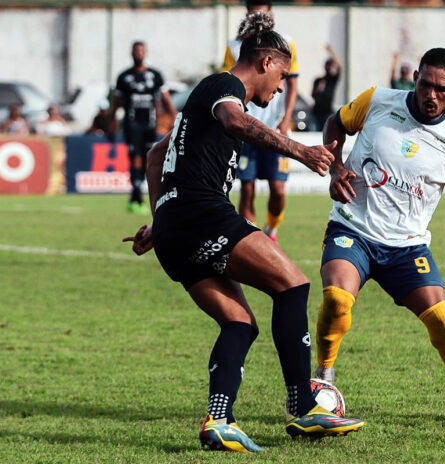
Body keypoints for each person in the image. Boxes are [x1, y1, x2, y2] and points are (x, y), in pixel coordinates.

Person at [122, 12, 364, 453]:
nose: (282, 86)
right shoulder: (224, 87)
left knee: (239, 323)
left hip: (176, 230)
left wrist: (161, 220)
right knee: (294, 286)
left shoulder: (209, 103)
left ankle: (220, 420)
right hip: (202, 213)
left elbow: (159, 155)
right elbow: (234, 122)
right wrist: (299, 150)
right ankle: (304, 405)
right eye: (282, 75)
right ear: (266, 60)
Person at [313, 48, 445, 423]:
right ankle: (323, 377)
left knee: (442, 318)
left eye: (442, 90)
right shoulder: (377, 100)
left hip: (406, 246)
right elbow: (336, 123)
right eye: (425, 84)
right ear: (415, 76)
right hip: (353, 229)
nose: (431, 95)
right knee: (336, 298)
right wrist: (335, 168)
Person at [221, 0, 300, 243]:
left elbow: (293, 84)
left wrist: (286, 119)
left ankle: (272, 230)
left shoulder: (285, 43)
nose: (258, 13)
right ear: (247, 13)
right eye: (254, 9)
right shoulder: (234, 46)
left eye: (262, 9)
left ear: (270, 12)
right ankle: (251, 236)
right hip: (245, 126)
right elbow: (227, 81)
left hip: (275, 126)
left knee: (277, 189)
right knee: (247, 187)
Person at [109, 41, 177, 215]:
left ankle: (148, 197)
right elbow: (116, 103)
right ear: (131, 53)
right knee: (135, 159)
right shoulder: (124, 76)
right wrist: (111, 121)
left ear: (145, 53)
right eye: (136, 50)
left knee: (149, 158)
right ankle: (136, 195)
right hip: (132, 124)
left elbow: (166, 100)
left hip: (149, 124)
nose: (139, 53)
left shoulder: (155, 75)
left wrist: (177, 119)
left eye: (141, 50)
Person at [311, 44, 342, 132]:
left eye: (330, 65)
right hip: (316, 113)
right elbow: (312, 95)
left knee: (326, 134)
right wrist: (318, 89)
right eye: (327, 65)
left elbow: (340, 66)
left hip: (327, 113)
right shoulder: (318, 80)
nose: (328, 67)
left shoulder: (332, 80)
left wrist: (331, 52)